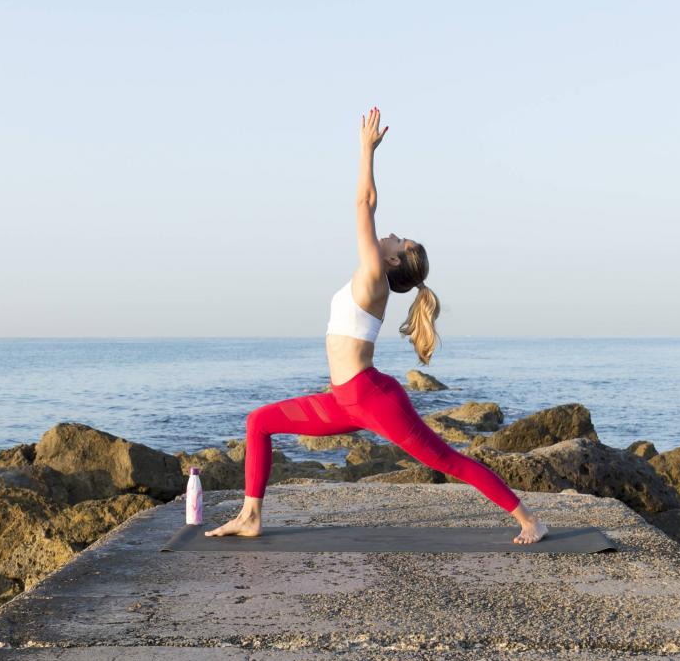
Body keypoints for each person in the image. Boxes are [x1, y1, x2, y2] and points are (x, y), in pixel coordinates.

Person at [205, 107, 547, 544]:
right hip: (343, 400)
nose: (392, 234)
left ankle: (530, 520)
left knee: (446, 459)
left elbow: (364, 202)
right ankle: (250, 515)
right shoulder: (371, 275)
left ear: (392, 260)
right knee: (259, 421)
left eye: (398, 241)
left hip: (372, 399)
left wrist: (366, 151)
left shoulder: (373, 276)